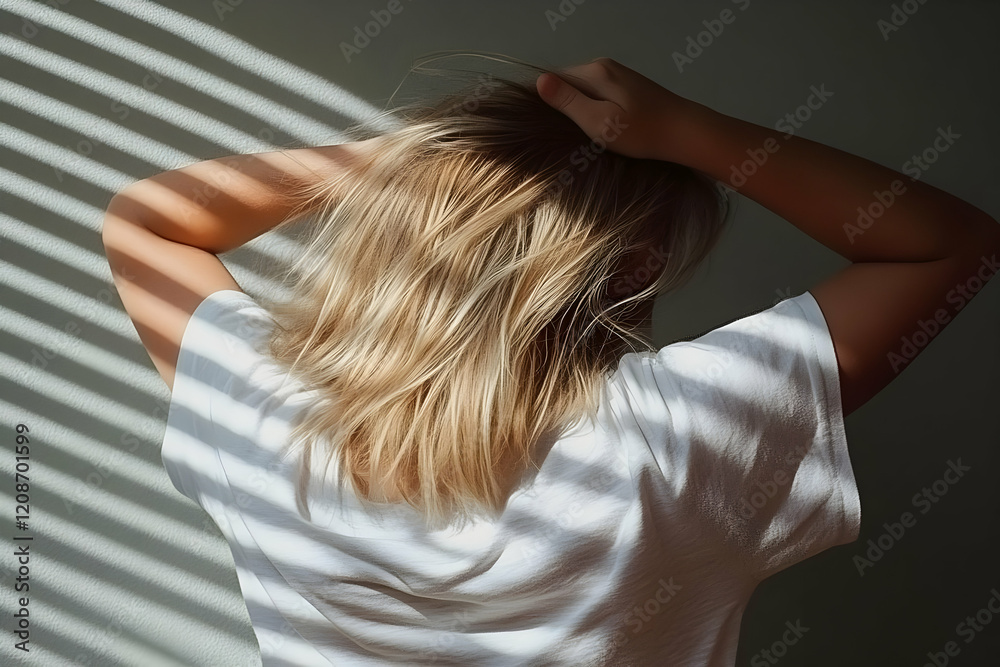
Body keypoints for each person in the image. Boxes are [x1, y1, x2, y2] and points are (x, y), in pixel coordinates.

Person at [101, 54, 999, 666]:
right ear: (639, 268)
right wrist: (694, 134)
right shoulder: (678, 435)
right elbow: (947, 245)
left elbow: (144, 220)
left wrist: (419, 162)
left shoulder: (259, 411)